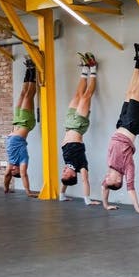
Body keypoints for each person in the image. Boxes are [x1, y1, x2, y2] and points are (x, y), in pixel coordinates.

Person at [101, 43, 139, 214]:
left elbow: (104, 189)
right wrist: (138, 208)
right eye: (110, 180)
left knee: (129, 93)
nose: (107, 178)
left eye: (106, 179)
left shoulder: (111, 169)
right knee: (137, 93)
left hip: (121, 124)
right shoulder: (126, 167)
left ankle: (137, 62)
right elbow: (131, 188)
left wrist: (106, 204)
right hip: (132, 125)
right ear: (118, 181)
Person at [58, 52, 101, 205]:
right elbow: (85, 181)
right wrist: (87, 200)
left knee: (77, 95)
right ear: (72, 175)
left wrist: (62, 195)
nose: (63, 171)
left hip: (68, 124)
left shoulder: (67, 168)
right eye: (66, 173)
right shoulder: (81, 166)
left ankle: (84, 68)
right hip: (78, 126)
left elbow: (64, 182)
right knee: (86, 96)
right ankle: (93, 69)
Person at [3, 58, 39, 197]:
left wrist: (6, 188)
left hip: (17, 122)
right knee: (30, 94)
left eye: (11, 171)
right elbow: (24, 175)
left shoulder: (11, 163)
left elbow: (6, 176)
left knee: (23, 94)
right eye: (14, 172)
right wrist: (28, 192)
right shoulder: (23, 161)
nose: (12, 170)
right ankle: (33, 69)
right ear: (17, 170)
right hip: (25, 123)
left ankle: (29, 68)